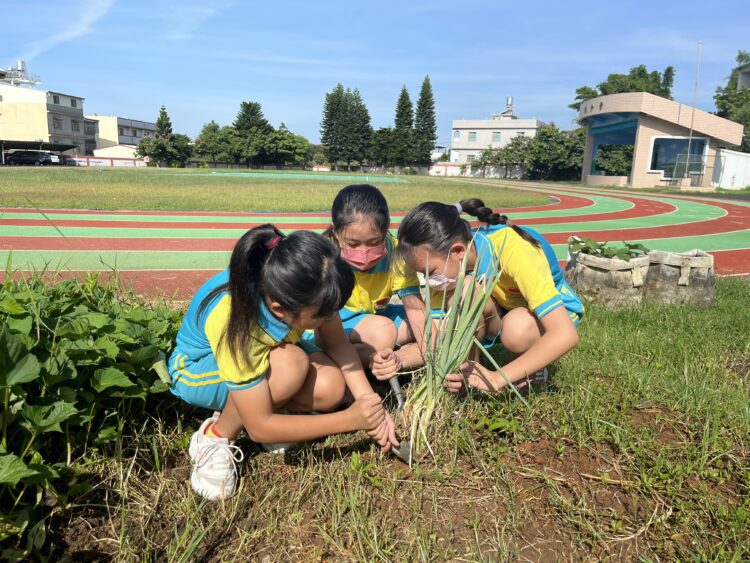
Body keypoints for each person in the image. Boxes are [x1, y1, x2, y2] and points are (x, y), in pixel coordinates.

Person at [168, 225, 398, 500]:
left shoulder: (306, 283)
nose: (329, 321)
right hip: (196, 370)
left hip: (272, 352)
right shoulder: (236, 320)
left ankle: (268, 405)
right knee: (291, 364)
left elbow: (337, 343)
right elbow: (259, 426)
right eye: (322, 317)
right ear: (280, 309)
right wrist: (350, 419)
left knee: (331, 387)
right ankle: (216, 436)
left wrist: (370, 404)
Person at [396, 199, 583, 394]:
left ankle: (533, 367)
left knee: (515, 331)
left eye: (430, 272)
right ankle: (469, 375)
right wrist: (398, 358)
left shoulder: (514, 249)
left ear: (458, 251)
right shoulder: (447, 264)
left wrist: (496, 378)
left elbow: (565, 334)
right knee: (466, 291)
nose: (429, 280)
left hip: (555, 314)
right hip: (506, 309)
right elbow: (439, 336)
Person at [314, 184, 430, 382]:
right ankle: (369, 360)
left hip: (372, 319)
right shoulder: (320, 257)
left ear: (386, 229)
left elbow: (416, 310)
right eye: (352, 244)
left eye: (375, 242)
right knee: (384, 331)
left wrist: (431, 352)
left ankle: (388, 360)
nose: (364, 252)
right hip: (328, 328)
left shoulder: (396, 253)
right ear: (335, 231)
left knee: (432, 324)